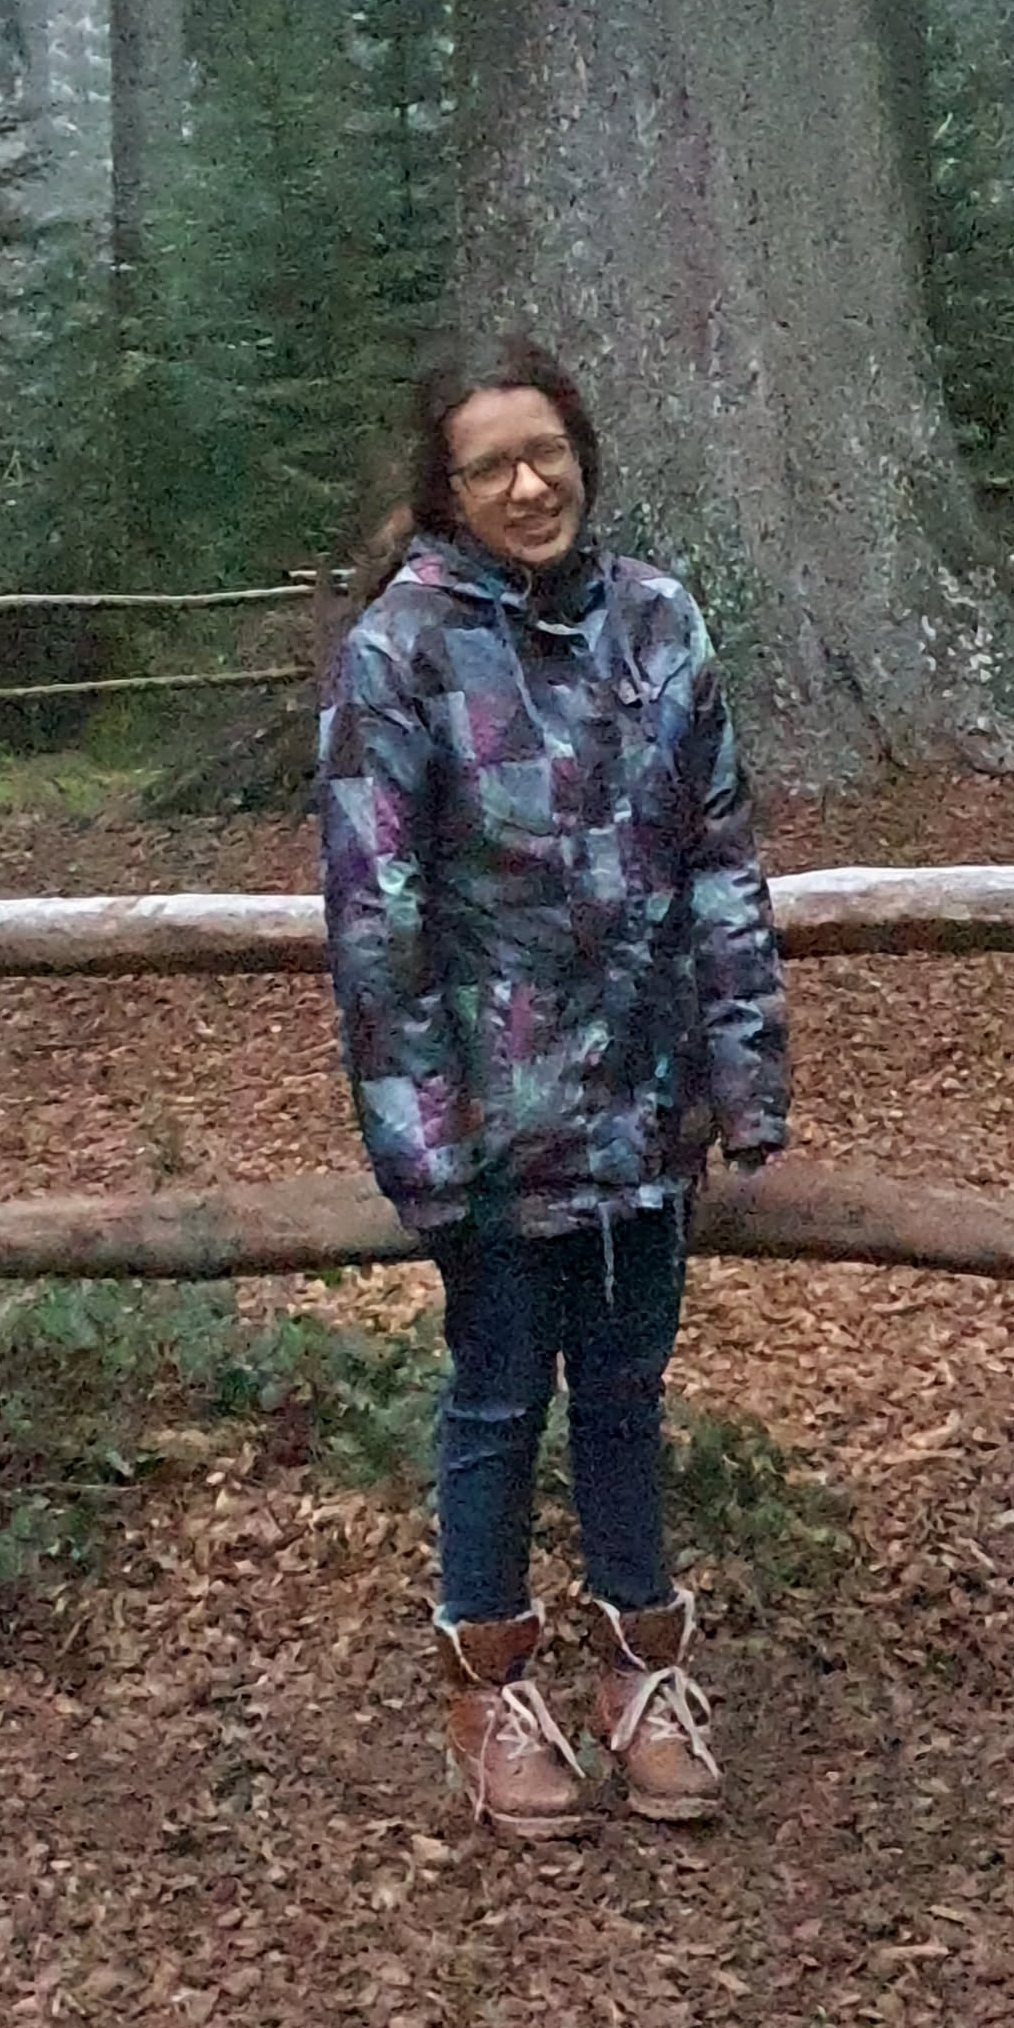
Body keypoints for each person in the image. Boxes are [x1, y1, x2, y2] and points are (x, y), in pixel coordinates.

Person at [319, 336, 790, 1838]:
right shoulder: (401, 652)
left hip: (647, 1108)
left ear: (582, 451)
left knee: (628, 1398)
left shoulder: (658, 621)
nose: (529, 487)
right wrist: (422, 1140)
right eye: (491, 468)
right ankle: (492, 1691)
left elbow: (719, 858)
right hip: (492, 1127)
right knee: (498, 1399)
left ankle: (643, 1678)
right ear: (445, 491)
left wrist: (743, 1067)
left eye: (546, 454)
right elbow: (377, 915)